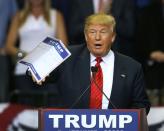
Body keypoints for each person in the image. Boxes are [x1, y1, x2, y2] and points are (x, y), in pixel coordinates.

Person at [33, 13, 150, 114]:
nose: (97, 37)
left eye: (103, 32)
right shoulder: (67, 56)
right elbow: (38, 70)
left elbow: (142, 105)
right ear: (86, 36)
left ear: (113, 37)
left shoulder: (132, 67)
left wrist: (123, 120)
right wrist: (36, 73)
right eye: (92, 32)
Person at [5, 0, 67, 105]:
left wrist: (44, 60)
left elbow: (63, 45)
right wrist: (25, 55)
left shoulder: (56, 15)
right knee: (25, 111)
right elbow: (9, 46)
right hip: (23, 70)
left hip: (48, 70)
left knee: (49, 109)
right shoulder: (19, 16)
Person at [66, 0, 137, 59]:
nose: (98, 37)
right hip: (85, 56)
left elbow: (129, 31)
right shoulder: (79, 1)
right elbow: (73, 31)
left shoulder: (124, 1)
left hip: (117, 56)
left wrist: (109, 16)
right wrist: (99, 15)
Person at [0, 0, 17, 102]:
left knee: (2, 97)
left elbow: (16, 19)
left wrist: (7, 45)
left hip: (1, 54)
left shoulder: (8, 1)